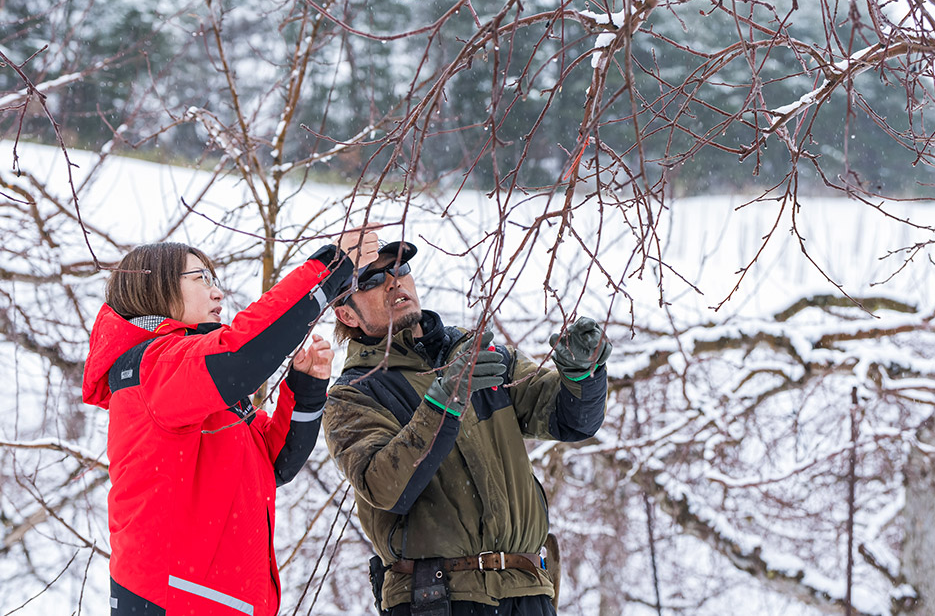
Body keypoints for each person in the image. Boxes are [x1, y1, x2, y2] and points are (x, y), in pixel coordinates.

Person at [82, 228, 378, 615]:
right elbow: (241, 354)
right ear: (156, 289)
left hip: (220, 602)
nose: (217, 292)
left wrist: (304, 389)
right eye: (201, 279)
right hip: (178, 603)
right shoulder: (152, 368)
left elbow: (275, 463)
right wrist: (330, 266)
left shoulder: (192, 382)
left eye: (215, 280)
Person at [322, 237, 613, 616]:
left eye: (400, 269)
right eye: (371, 280)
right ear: (346, 314)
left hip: (528, 590)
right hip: (437, 599)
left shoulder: (476, 354)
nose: (394, 282)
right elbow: (387, 487)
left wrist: (582, 374)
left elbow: (571, 420)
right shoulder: (352, 397)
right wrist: (443, 403)